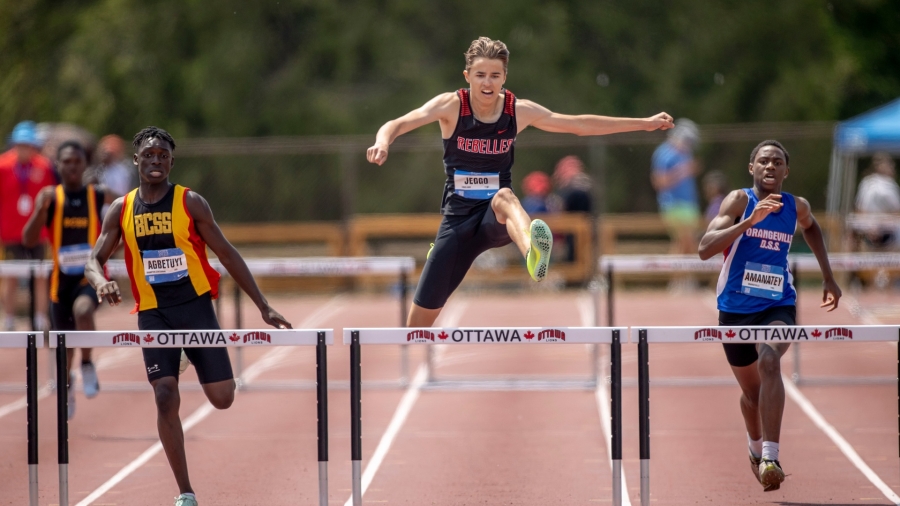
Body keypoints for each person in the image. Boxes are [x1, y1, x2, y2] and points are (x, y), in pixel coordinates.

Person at [367, 37, 673, 327]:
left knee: (505, 196)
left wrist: (643, 123)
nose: (487, 82)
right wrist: (383, 141)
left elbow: (578, 124)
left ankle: (532, 252)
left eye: (495, 75)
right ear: (467, 76)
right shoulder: (451, 106)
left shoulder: (518, 111)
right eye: (480, 75)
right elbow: (399, 123)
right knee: (417, 326)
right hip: (457, 223)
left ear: (504, 78)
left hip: (495, 217)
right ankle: (524, 250)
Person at [84, 127, 292, 506]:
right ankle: (186, 492)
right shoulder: (122, 208)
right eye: (149, 155)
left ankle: (185, 356)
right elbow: (93, 260)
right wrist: (101, 282)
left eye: (163, 155)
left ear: (171, 162)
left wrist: (263, 305)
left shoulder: (190, 202)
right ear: (136, 161)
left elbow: (227, 254)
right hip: (153, 312)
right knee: (165, 395)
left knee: (223, 398)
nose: (156, 161)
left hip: (195, 307)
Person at [699, 140, 841, 492]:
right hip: (734, 310)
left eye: (777, 162)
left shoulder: (796, 206)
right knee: (751, 394)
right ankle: (754, 446)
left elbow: (811, 227)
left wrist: (827, 275)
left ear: (786, 171)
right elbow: (705, 249)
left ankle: (771, 457)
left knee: (770, 362)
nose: (770, 167)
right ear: (752, 168)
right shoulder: (738, 200)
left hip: (778, 304)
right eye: (763, 161)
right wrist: (749, 222)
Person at [22, 140, 115, 419]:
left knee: (83, 311)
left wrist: (114, 243)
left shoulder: (98, 195)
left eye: (77, 161)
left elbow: (131, 207)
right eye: (67, 162)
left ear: (84, 165)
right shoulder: (51, 198)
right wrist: (40, 210)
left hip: (90, 277)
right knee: (64, 347)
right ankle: (67, 383)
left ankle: (87, 364)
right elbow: (28, 239)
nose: (72, 167)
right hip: (59, 283)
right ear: (59, 166)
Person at [0, 121, 58, 330]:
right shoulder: (3, 165)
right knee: (10, 275)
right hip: (10, 232)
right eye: (20, 144)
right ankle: (9, 318)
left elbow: (53, 197)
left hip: (38, 232)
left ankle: (41, 317)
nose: (24, 149)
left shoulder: (44, 166)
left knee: (41, 275)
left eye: (28, 144)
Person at [651, 118, 701, 255]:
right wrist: (682, 171)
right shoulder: (664, 153)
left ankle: (682, 276)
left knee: (687, 244)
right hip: (673, 204)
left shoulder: (686, 153)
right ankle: (679, 276)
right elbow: (659, 182)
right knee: (684, 241)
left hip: (689, 204)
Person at [854, 152, 900, 249]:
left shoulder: (867, 182)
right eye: (890, 165)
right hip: (882, 230)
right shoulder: (888, 185)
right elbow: (897, 211)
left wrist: (869, 227)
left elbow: (860, 209)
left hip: (873, 229)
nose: (892, 168)